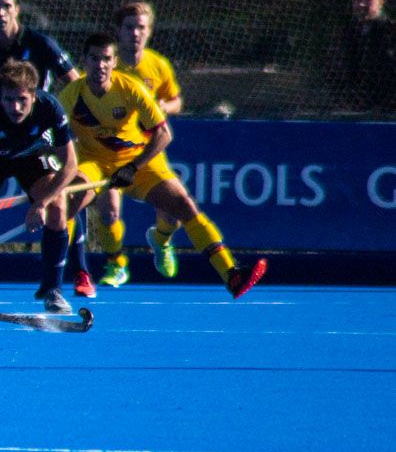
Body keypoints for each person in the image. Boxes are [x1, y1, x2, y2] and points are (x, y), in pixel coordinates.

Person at [60, 33, 267, 299]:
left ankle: (231, 275)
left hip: (137, 163)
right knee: (69, 203)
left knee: (185, 207)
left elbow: (163, 134)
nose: (100, 65)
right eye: (94, 58)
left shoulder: (131, 88)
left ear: (113, 62)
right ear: (84, 61)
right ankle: (56, 279)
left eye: (106, 59)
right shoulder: (71, 95)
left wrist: (133, 167)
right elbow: (54, 134)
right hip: (93, 162)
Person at [84, 0, 183, 289]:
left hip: (147, 151)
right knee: (109, 210)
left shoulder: (158, 66)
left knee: (173, 209)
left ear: (149, 31)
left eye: (141, 27)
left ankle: (161, 239)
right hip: (111, 150)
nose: (135, 33)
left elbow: (176, 100)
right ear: (118, 31)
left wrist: (165, 105)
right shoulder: (105, 64)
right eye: (129, 27)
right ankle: (116, 264)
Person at [0, 59, 79, 315]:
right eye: (8, 100)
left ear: (34, 94)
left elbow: (70, 165)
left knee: (58, 208)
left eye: (22, 100)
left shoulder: (50, 107)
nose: (15, 107)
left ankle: (53, 290)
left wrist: (41, 202)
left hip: (30, 156)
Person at [336, 0, 396, 114]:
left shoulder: (390, 31)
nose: (361, 4)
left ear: (380, 1)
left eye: (368, 0)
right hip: (357, 106)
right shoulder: (349, 33)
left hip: (389, 108)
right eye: (357, 0)